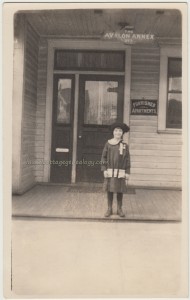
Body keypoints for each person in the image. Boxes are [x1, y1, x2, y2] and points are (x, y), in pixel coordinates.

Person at [101, 122, 130, 217]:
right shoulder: (108, 144)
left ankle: (119, 209)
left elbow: (127, 159)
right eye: (116, 130)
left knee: (120, 190)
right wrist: (104, 169)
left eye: (120, 131)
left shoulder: (124, 145)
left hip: (120, 171)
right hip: (110, 170)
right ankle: (109, 208)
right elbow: (103, 157)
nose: (118, 132)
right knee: (110, 189)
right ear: (113, 132)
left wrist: (127, 171)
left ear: (122, 133)